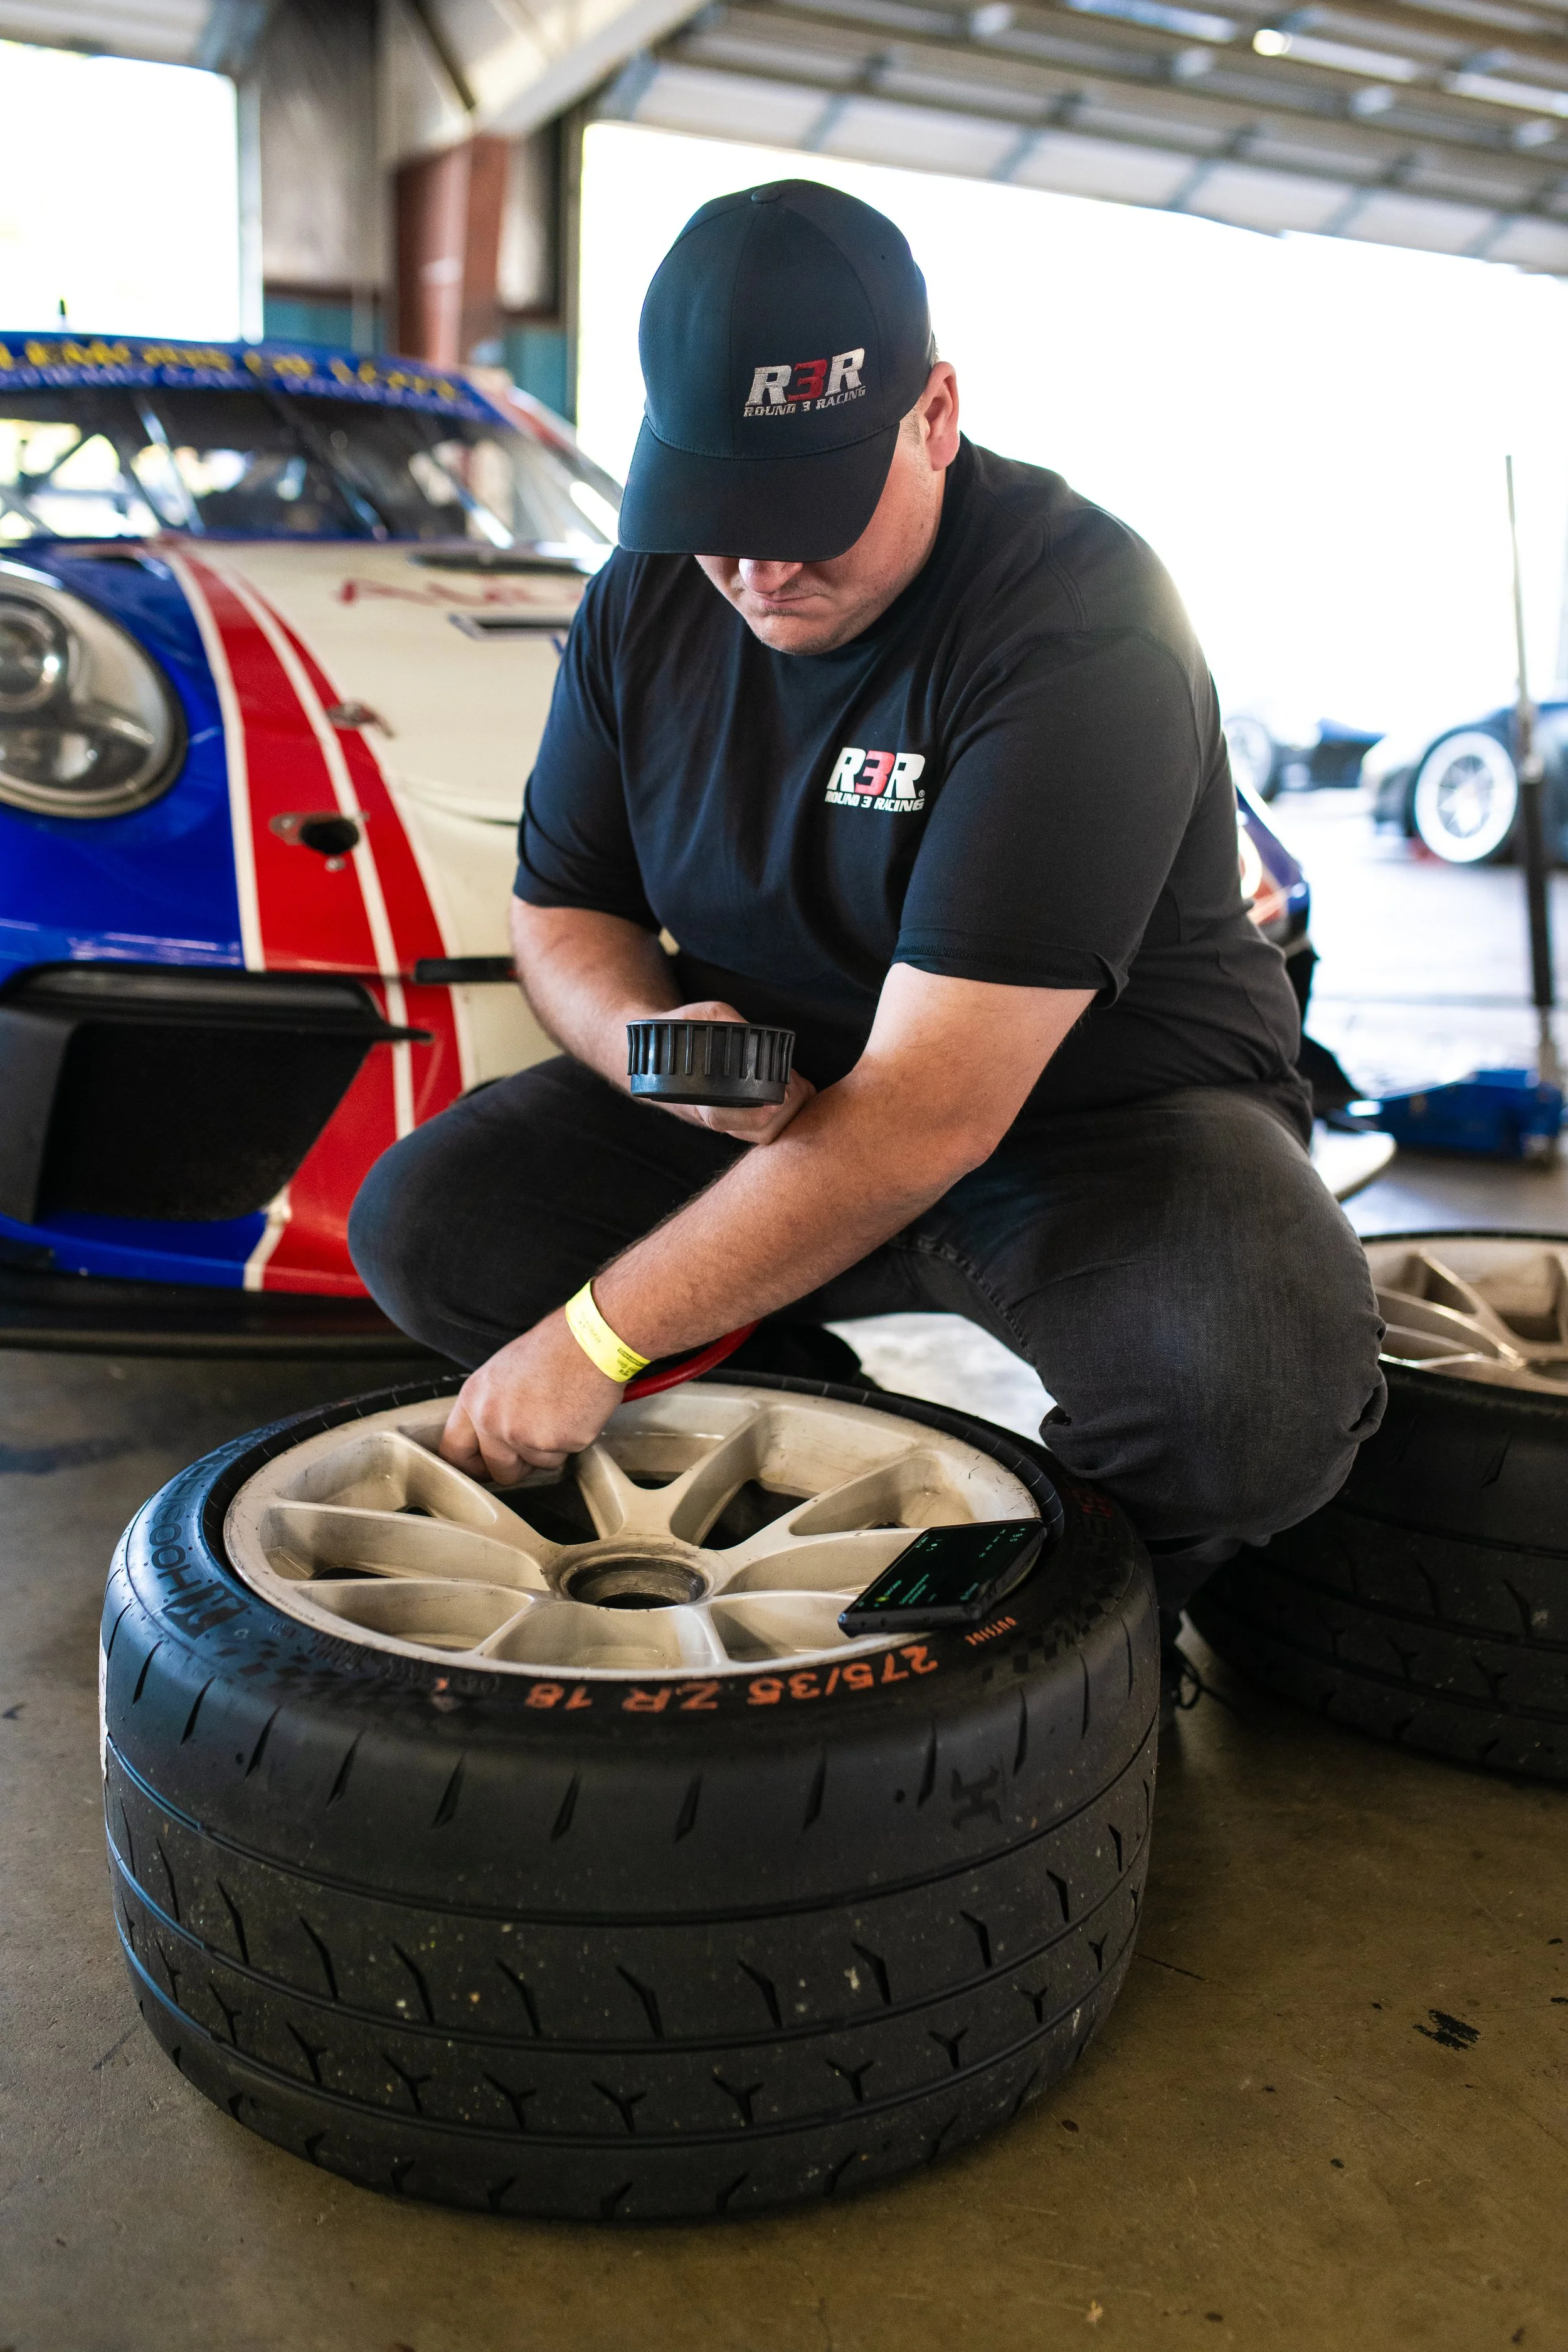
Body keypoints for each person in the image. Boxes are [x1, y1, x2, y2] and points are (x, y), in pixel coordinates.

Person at [349, 178, 1385, 1629]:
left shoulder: (1082, 621)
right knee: (434, 1226)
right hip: (774, 1100)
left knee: (1247, 1402)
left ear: (934, 414)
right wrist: (650, 1043)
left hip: (1094, 1121)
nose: (759, 566)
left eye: (803, 510)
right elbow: (565, 912)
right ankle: (798, 1460)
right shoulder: (645, 600)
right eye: (716, 514)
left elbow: (927, 1111)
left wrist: (596, 1340)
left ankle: (1070, 1629)